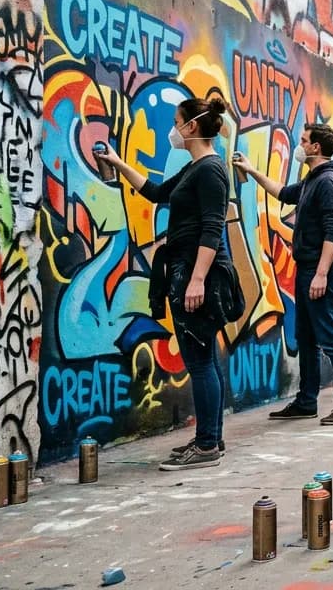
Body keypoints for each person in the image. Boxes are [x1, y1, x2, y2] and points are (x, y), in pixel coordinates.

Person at [95, 96, 245, 470]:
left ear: (191, 126)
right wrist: (118, 164)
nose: (173, 130)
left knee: (199, 361)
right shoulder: (197, 168)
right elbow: (157, 193)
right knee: (204, 358)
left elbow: (213, 227)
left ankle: (207, 445)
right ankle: (211, 439)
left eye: (177, 122)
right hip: (187, 270)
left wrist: (196, 280)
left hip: (198, 275)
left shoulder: (209, 170)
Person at [234, 123, 333, 425]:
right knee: (306, 337)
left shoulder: (329, 180)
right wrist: (252, 171)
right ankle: (307, 401)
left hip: (321, 270)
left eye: (304, 140)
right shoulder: (313, 179)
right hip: (308, 268)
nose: (300, 144)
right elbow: (283, 193)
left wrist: (321, 273)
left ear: (316, 147)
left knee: (330, 335)